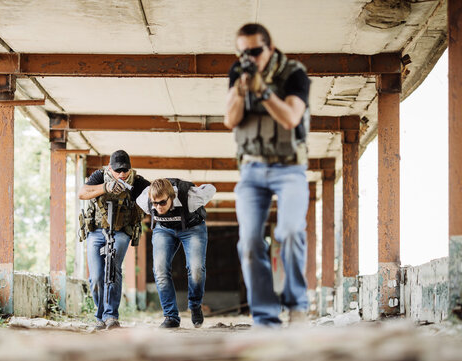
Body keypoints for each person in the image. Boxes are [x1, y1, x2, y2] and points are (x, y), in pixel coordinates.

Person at [224, 23, 311, 327]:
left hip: (289, 168)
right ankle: (265, 318)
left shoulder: (293, 73)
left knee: (289, 232)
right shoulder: (238, 73)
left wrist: (262, 91)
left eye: (255, 51)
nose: (249, 57)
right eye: (242, 52)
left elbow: (290, 118)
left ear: (269, 49)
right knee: (248, 242)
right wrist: (241, 89)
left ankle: (297, 306)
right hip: (251, 170)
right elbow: (230, 119)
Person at [78, 150, 150, 330]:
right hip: (96, 232)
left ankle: (111, 316)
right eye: (118, 171)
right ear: (110, 168)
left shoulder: (136, 180)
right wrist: (105, 187)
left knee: (113, 267)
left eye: (125, 170)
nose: (122, 174)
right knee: (96, 276)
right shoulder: (99, 175)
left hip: (121, 231)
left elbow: (154, 195)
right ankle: (99, 316)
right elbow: (82, 193)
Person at [136, 178, 216, 328]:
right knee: (159, 270)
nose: (158, 207)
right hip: (164, 229)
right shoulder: (144, 200)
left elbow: (211, 188)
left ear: (171, 197)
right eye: (155, 203)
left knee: (196, 268)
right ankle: (171, 317)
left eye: (162, 202)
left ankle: (195, 305)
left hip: (193, 228)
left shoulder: (191, 197)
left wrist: (199, 187)